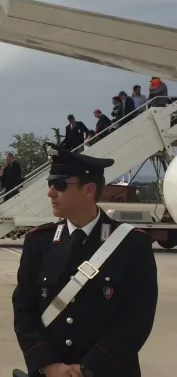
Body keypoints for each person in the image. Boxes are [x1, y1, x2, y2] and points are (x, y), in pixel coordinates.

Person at [12, 143, 158, 377]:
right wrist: (48, 364)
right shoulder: (38, 242)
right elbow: (24, 309)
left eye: (60, 185)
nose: (50, 193)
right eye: (50, 184)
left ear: (89, 190)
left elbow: (137, 319)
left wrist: (89, 368)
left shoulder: (132, 245)